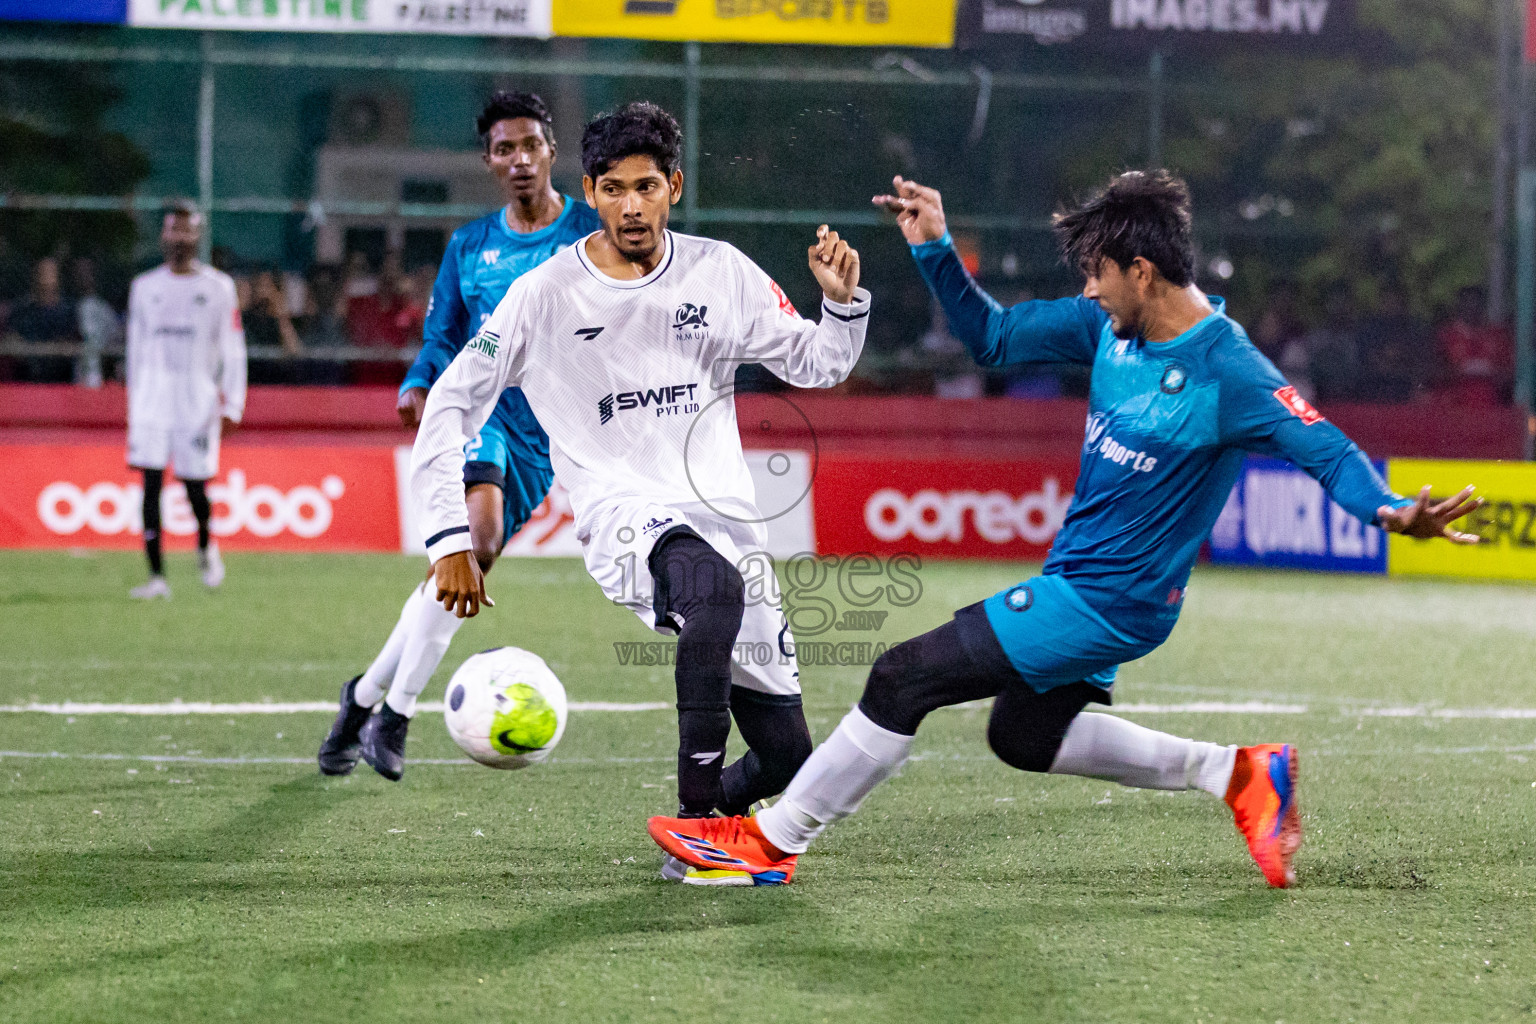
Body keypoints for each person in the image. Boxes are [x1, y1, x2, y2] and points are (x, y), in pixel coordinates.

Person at [649, 171, 1482, 889]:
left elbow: (1326, 448)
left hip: (1108, 603)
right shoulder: (1108, 329)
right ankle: (1240, 774)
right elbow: (995, 338)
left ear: (1142, 272)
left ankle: (771, 842)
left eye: (1098, 276)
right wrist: (935, 248)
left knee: (903, 677)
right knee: (1023, 734)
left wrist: (1390, 510)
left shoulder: (1228, 370)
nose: (1088, 292)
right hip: (1083, 587)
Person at [416, 101, 866, 884]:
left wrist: (840, 303)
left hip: (724, 517)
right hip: (623, 514)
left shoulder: (720, 272)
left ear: (674, 187)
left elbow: (818, 364)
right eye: (615, 188)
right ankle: (700, 828)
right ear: (589, 190)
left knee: (790, 756)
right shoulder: (542, 294)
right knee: (712, 593)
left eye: (648, 187)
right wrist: (449, 538)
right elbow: (450, 402)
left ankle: (700, 828)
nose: (632, 205)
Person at [318, 91, 601, 783]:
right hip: (482, 407)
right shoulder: (471, 245)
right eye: (505, 149)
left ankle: (361, 700)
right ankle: (398, 713)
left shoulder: (590, 233)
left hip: (546, 430)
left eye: (531, 144)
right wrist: (419, 380)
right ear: (489, 161)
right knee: (475, 543)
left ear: (551, 152)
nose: (519, 159)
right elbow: (442, 333)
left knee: (462, 571)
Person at [124, 201, 247, 600]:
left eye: (186, 231)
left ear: (198, 236)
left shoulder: (217, 287)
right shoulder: (145, 287)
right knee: (151, 485)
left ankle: (205, 545)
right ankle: (156, 577)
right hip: (153, 400)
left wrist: (233, 404)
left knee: (195, 485)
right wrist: (134, 404)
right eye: (172, 230)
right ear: (163, 236)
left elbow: (233, 348)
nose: (178, 238)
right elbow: (134, 351)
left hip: (197, 400)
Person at [1436, 285, 1513, 408]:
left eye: (1476, 304)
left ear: (1483, 306)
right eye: (1467, 303)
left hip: (1492, 405)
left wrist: (1494, 372)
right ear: (1459, 306)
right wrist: (1457, 371)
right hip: (1454, 405)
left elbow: (1509, 371)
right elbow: (1436, 371)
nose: (1472, 308)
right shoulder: (1446, 336)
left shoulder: (1497, 336)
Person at [10, 256, 78, 382]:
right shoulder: (23, 311)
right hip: (27, 380)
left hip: (61, 381)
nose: (46, 278)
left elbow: (72, 342)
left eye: (51, 272)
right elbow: (13, 339)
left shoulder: (69, 311)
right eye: (42, 272)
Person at [71, 257, 121, 389]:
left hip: (99, 374)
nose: (84, 277)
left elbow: (115, 338)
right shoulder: (69, 307)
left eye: (87, 273)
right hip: (73, 374)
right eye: (80, 273)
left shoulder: (103, 307)